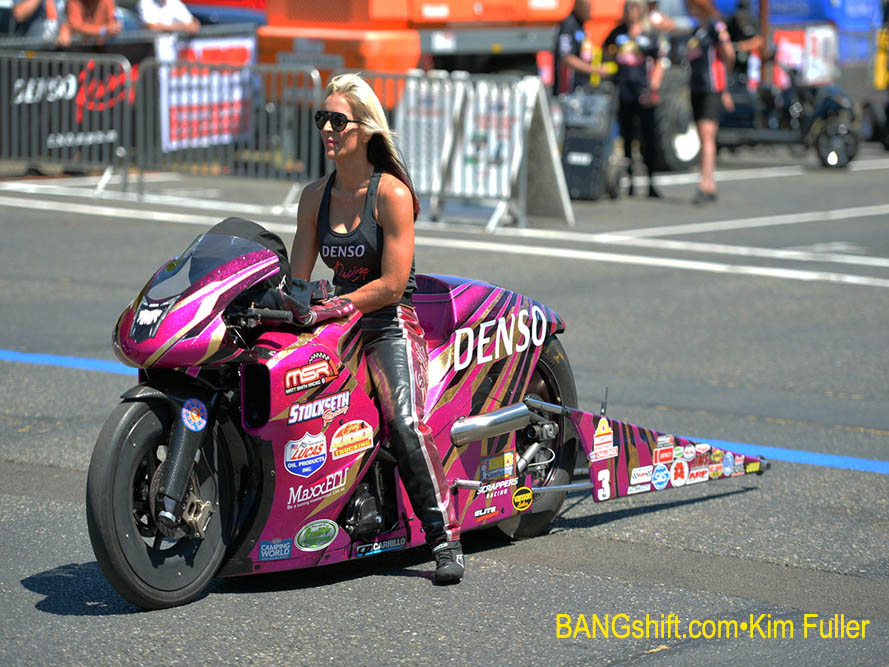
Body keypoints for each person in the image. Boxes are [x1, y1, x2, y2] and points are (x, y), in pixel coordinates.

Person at [289, 73, 464, 585]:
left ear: (365, 129)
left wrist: (339, 304)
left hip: (388, 323)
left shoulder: (391, 194)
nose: (326, 128)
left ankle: (445, 539)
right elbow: (298, 283)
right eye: (322, 118)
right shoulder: (312, 197)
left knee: (404, 421)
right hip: (334, 324)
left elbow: (391, 285)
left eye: (337, 120)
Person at [601, 0, 668, 198]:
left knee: (648, 138)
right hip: (623, 92)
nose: (632, 12)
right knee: (627, 137)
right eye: (629, 7)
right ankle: (628, 180)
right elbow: (605, 53)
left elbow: (660, 61)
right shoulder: (618, 33)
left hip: (644, 93)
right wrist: (609, 73)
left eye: (636, 7)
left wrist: (654, 85)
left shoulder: (650, 34)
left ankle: (650, 181)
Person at [684, 0, 734, 204]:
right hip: (697, 86)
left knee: (707, 135)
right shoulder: (698, 30)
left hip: (712, 86)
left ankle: (706, 183)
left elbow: (728, 53)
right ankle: (709, 181)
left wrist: (725, 86)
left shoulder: (715, 26)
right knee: (702, 134)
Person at [553, 0, 595, 95]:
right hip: (568, 90)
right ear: (579, 6)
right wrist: (593, 69)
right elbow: (566, 57)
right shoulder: (568, 24)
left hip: (581, 86)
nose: (590, 11)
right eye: (588, 8)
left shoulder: (581, 25)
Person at [725, 0, 763, 85]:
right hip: (733, 61)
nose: (742, 17)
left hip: (750, 62)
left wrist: (741, 46)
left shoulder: (754, 21)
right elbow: (723, 38)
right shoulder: (731, 22)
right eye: (740, 15)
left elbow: (759, 41)